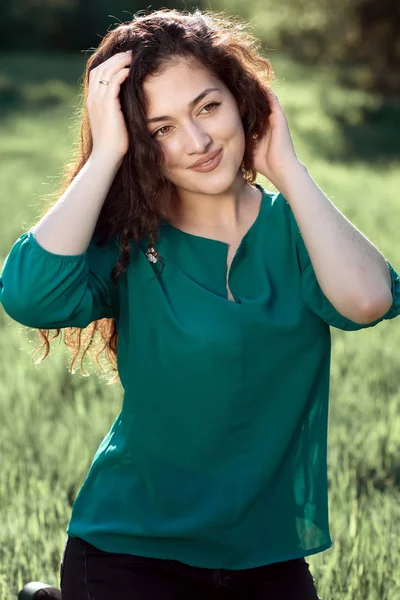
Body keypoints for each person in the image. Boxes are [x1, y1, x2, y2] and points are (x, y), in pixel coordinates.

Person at [2, 8, 399, 600]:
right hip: (130, 547)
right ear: (141, 142)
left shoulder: (297, 233)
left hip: (266, 555)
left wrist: (287, 167)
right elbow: (30, 296)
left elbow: (368, 300)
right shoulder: (132, 241)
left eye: (208, 107)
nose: (198, 142)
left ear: (242, 99)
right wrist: (106, 151)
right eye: (160, 128)